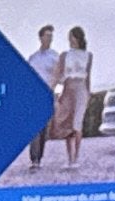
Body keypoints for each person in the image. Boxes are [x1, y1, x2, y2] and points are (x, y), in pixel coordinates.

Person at [26, 25, 65, 164]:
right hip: (33, 95)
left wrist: (57, 93)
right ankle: (34, 159)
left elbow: (61, 77)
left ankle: (39, 157)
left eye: (51, 36)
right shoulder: (33, 58)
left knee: (43, 128)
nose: (50, 38)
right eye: (47, 35)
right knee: (34, 126)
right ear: (41, 37)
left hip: (48, 94)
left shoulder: (55, 57)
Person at [56, 25, 95, 163]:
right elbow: (61, 76)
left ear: (78, 38)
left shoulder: (88, 55)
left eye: (72, 37)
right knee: (67, 123)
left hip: (81, 88)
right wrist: (59, 91)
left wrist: (88, 92)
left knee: (77, 123)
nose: (70, 40)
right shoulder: (65, 55)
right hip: (68, 87)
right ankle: (70, 157)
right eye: (69, 37)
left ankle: (77, 156)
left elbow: (88, 75)